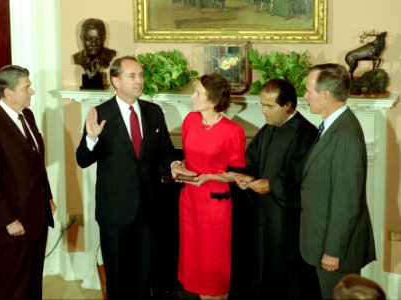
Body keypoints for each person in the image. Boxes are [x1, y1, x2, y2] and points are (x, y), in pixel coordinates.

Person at [75, 55, 193, 300]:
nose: (139, 81)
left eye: (140, 75)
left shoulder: (153, 111)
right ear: (115, 80)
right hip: (115, 210)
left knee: (144, 274)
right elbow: (82, 159)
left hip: (148, 209)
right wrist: (92, 139)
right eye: (132, 76)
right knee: (118, 277)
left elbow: (165, 150)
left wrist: (174, 163)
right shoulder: (100, 113)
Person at [232, 78, 320, 299]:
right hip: (265, 215)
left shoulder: (305, 133)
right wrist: (246, 176)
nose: (264, 111)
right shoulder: (268, 129)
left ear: (288, 105)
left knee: (288, 280)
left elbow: (301, 177)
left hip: (288, 220)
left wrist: (271, 185)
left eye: (270, 106)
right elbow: (250, 159)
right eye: (262, 105)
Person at [0, 65, 56, 299]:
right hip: (14, 221)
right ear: (8, 93)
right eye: (26, 87)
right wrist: (8, 219)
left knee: (32, 282)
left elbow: (37, 162)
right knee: (13, 286)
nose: (32, 91)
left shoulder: (27, 116)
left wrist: (47, 196)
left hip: (37, 214)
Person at [300, 63, 376, 299]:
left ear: (325, 95)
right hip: (323, 243)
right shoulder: (333, 127)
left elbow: (346, 201)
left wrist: (333, 251)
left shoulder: (344, 135)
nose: (305, 96)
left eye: (308, 90)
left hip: (336, 252)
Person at [175, 73, 246, 300]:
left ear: (214, 101)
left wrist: (209, 177)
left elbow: (238, 175)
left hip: (214, 207)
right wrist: (180, 168)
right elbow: (189, 159)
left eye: (198, 93)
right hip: (189, 201)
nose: (192, 96)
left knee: (212, 271)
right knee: (194, 268)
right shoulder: (190, 120)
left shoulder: (233, 131)